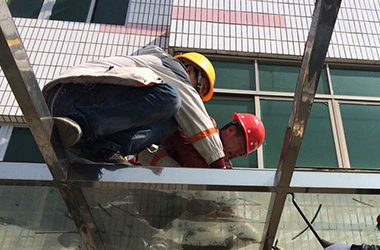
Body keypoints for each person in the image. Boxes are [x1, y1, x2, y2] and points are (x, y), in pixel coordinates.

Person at [42, 46, 229, 167]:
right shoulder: (171, 65)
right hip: (72, 94)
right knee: (171, 98)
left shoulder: (153, 107)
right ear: (189, 69)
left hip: (80, 134)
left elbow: (147, 151)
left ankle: (102, 151)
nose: (196, 95)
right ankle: (82, 123)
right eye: (199, 88)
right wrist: (218, 166)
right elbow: (194, 112)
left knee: (172, 121)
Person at [135, 112, 265, 168]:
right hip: (149, 167)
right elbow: (185, 144)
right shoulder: (205, 127)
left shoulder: (225, 168)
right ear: (230, 130)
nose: (237, 155)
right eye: (240, 147)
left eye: (241, 154)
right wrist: (214, 168)